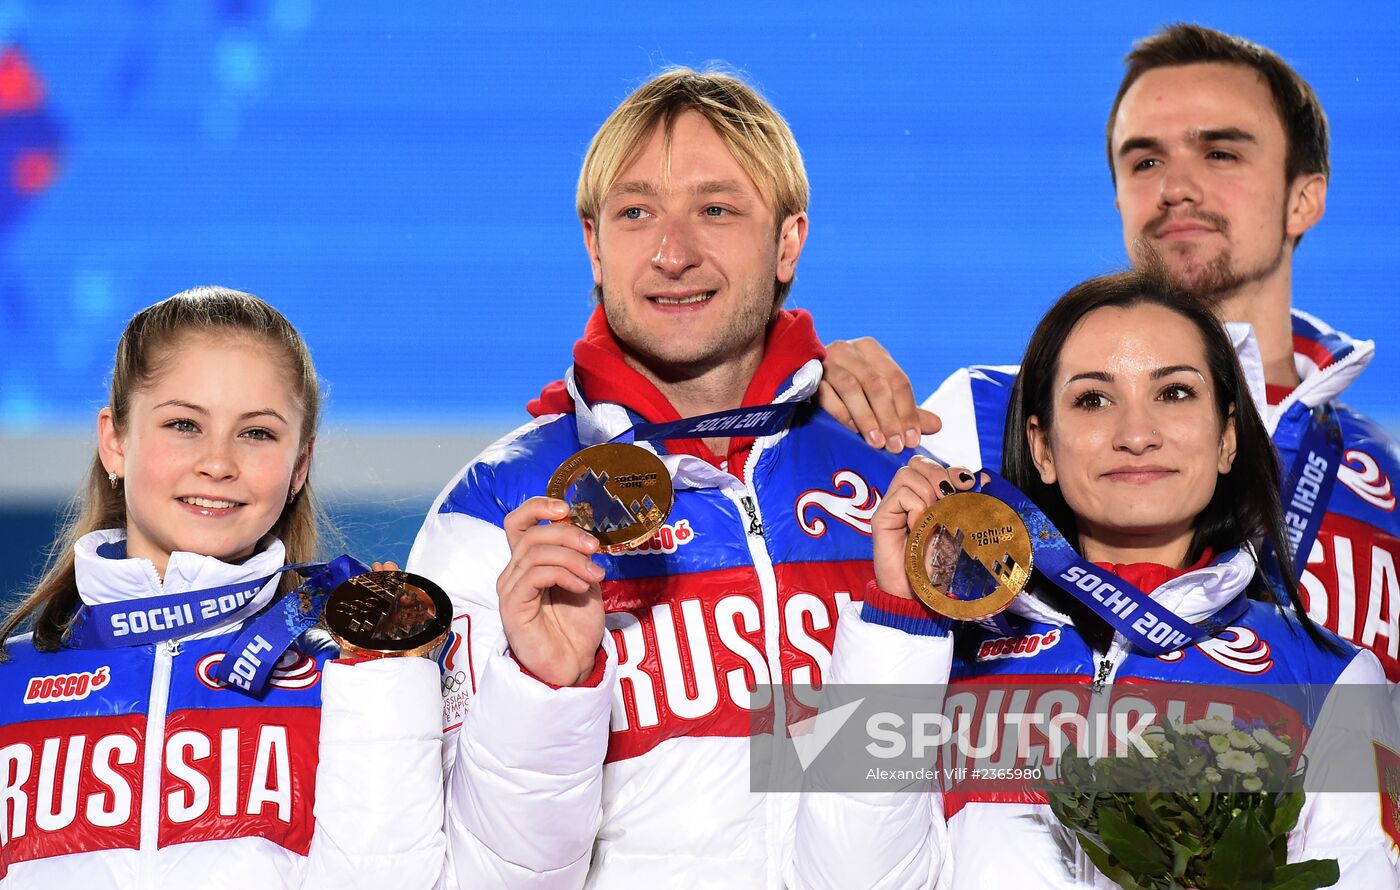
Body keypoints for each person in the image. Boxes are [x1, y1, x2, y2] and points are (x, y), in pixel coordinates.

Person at [406, 68, 911, 888]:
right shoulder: (497, 507)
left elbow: (938, 804)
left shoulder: (894, 480)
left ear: (788, 243)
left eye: (716, 209)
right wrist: (544, 690)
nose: (673, 254)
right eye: (637, 213)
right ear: (594, 246)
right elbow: (477, 872)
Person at [818, 23, 1400, 679]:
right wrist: (797, 390)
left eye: (1220, 154)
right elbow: (852, 705)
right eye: (1145, 160)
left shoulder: (1381, 476)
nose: (1175, 186)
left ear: (1304, 199)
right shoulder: (979, 418)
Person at [794, 268, 1400, 888]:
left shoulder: (1328, 679)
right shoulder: (951, 653)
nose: (1136, 435)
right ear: (1043, 448)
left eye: (1175, 394)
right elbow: (842, 880)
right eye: (1093, 399)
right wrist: (902, 619)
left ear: (1226, 438)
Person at [0, 287, 445, 888]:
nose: (218, 463)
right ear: (115, 441)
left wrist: (388, 683)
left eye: (257, 433)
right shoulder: (9, 680)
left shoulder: (349, 676)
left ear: (301, 465)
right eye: (184, 424)